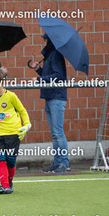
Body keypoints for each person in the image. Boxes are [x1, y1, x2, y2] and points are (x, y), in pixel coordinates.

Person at [0, 68, 31, 195]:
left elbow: (22, 110)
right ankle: (5, 186)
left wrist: (27, 125)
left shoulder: (11, 96)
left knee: (11, 160)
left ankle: (9, 183)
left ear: (3, 83)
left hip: (14, 133)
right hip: (0, 134)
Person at [29, 35, 70, 173]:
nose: (44, 42)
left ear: (50, 41)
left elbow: (59, 76)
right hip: (50, 97)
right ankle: (57, 162)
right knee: (54, 133)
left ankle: (64, 163)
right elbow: (49, 76)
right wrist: (39, 69)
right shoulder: (50, 55)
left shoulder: (56, 54)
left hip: (56, 97)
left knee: (58, 132)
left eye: (46, 40)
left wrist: (39, 80)